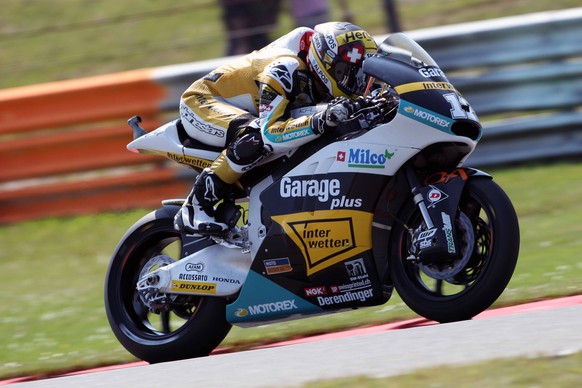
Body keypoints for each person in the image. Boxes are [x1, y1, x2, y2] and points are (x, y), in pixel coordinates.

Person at [174, 22, 379, 235]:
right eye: (345, 73)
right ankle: (195, 205)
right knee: (255, 137)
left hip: (247, 109)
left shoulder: (316, 69)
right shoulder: (284, 68)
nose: (355, 83)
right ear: (323, 62)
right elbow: (271, 133)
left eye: (360, 76)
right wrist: (319, 120)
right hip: (202, 101)